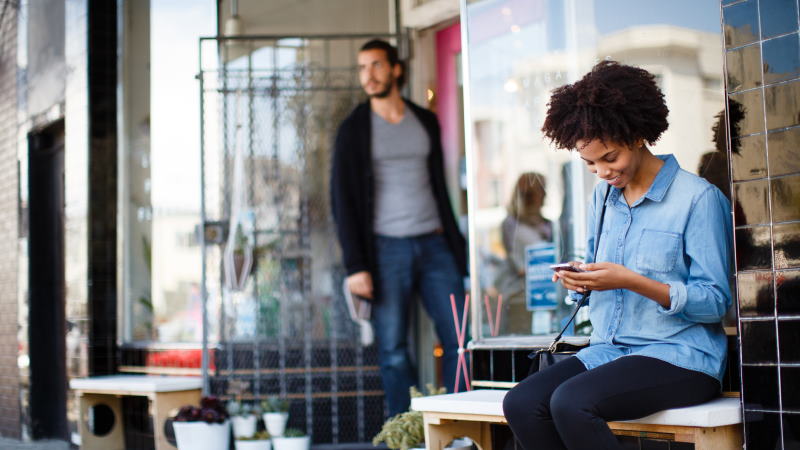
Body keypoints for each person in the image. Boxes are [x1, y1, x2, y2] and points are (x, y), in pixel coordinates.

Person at [502, 60, 733, 450]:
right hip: (611, 350)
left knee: (572, 403)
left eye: (610, 158)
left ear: (638, 134)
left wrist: (631, 281)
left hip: (682, 356)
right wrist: (580, 281)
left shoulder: (698, 199)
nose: (602, 171)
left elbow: (715, 302)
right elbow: (596, 274)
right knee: (522, 402)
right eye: (589, 162)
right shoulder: (603, 198)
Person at [330, 39, 467, 417]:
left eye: (375, 65)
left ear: (395, 69)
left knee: (460, 339)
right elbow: (341, 201)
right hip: (385, 249)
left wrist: (457, 248)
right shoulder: (354, 129)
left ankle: (458, 424)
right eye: (362, 68)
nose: (368, 75)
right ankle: (404, 432)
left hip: (436, 245)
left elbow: (440, 187)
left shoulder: (424, 120)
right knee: (392, 349)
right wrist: (356, 266)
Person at [493, 172, 552, 333]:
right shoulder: (512, 224)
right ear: (529, 195)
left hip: (546, 291)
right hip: (520, 294)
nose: (545, 194)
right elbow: (516, 261)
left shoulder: (547, 224)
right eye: (541, 190)